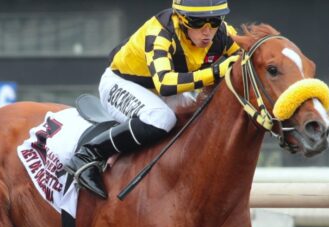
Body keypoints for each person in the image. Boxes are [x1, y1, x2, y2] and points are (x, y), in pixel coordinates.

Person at [66, 0, 240, 199]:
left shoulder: (223, 33)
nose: (207, 31)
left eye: (215, 20)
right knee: (161, 118)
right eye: (198, 22)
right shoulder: (159, 33)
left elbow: (248, 57)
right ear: (181, 18)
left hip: (160, 89)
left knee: (198, 120)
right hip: (121, 83)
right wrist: (216, 71)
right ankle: (88, 154)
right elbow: (165, 84)